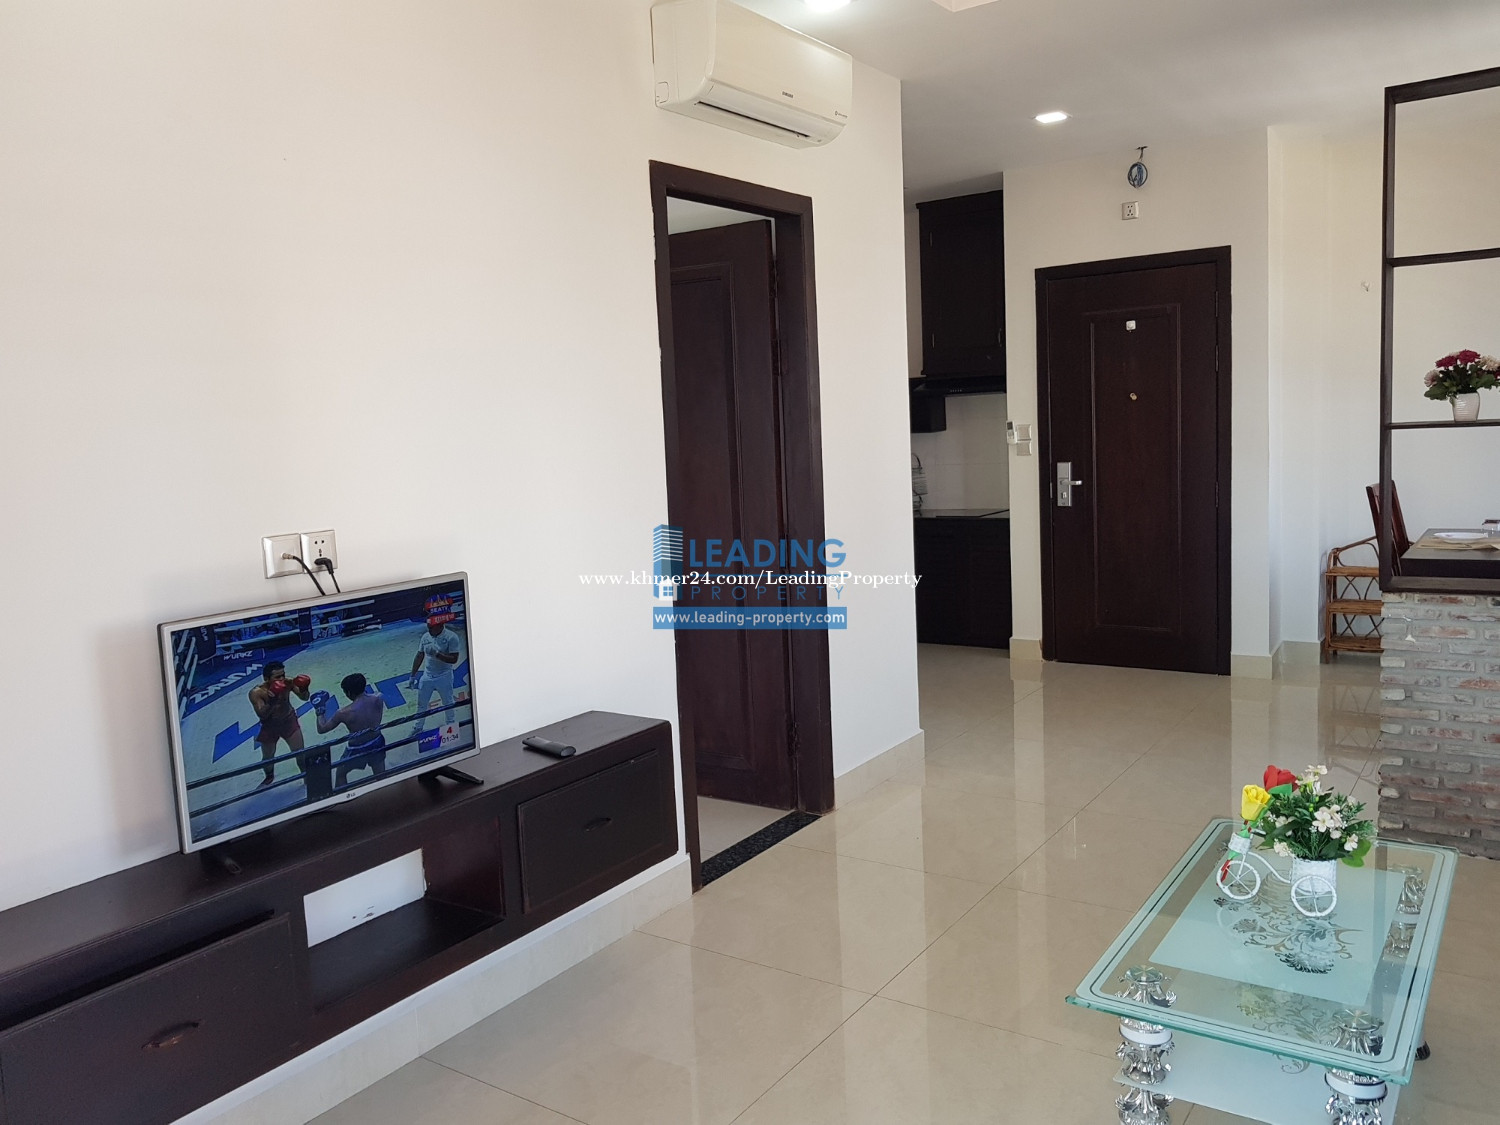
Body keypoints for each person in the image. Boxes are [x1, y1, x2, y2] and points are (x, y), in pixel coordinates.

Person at [313, 673, 388, 787]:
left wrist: (320, 711)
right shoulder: (378, 698)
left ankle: (341, 796)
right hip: (377, 740)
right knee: (380, 775)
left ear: (348, 693)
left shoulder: (343, 713)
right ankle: (386, 793)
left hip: (357, 747)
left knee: (341, 773)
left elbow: (322, 729)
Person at [247, 662, 311, 786]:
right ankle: (269, 776)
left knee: (300, 753)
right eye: (277, 677)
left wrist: (304, 688)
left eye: (283, 675)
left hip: (288, 721)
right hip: (269, 725)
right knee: (268, 757)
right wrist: (273, 699)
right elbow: (262, 715)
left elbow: (304, 698)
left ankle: (306, 776)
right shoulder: (256, 693)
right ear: (266, 679)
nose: (282, 679)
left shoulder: (289, 683)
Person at [409, 616, 461, 736]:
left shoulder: (451, 637)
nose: (429, 630)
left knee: (448, 702)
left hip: (444, 675)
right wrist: (412, 676)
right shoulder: (426, 637)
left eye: (431, 628)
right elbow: (419, 655)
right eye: (428, 628)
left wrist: (437, 654)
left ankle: (451, 726)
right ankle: (418, 727)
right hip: (427, 675)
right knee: (421, 703)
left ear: (440, 625)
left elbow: (454, 659)